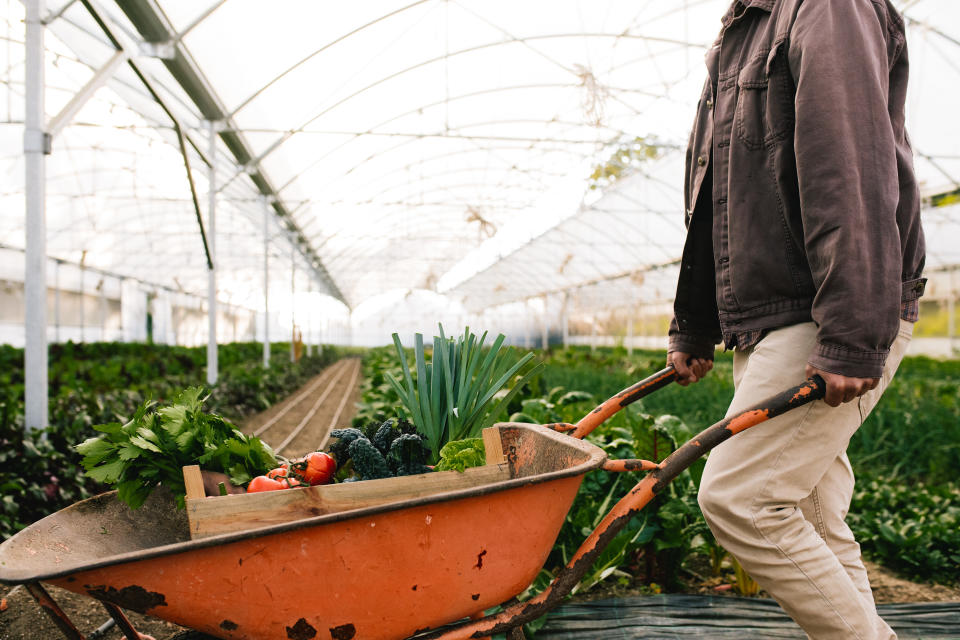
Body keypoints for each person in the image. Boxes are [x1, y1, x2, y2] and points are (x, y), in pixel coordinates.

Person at [666, 1, 925, 638]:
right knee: (808, 515)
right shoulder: (744, 28)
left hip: (823, 310)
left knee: (740, 498)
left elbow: (850, 167)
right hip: (772, 314)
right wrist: (694, 324)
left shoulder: (825, 7)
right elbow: (713, 188)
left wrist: (851, 334)